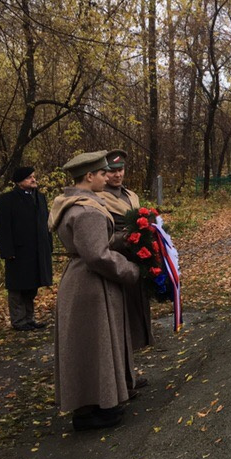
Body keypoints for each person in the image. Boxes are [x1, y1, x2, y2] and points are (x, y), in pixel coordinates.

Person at [49, 151, 140, 431]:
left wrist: (125, 238)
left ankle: (94, 405)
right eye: (102, 173)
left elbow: (95, 242)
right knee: (94, 346)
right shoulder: (86, 210)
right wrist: (131, 270)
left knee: (88, 346)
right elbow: (97, 255)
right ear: (89, 176)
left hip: (81, 281)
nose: (107, 177)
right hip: (91, 285)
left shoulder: (73, 203)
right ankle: (94, 411)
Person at [97, 149, 153, 393]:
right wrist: (127, 237)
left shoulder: (131, 195)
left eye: (120, 170)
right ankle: (121, 380)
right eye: (111, 171)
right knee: (119, 322)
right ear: (103, 173)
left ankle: (128, 373)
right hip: (117, 265)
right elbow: (102, 237)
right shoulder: (98, 198)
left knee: (132, 319)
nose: (117, 175)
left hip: (136, 264)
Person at [0, 167, 53, 331]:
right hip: (18, 251)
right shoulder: (7, 199)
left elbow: (46, 224)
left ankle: (29, 319)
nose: (33, 179)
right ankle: (18, 321)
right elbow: (2, 227)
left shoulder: (40, 198)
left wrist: (49, 245)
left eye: (34, 176)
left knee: (32, 286)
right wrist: (7, 250)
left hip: (37, 250)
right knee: (17, 287)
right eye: (29, 178)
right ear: (19, 182)